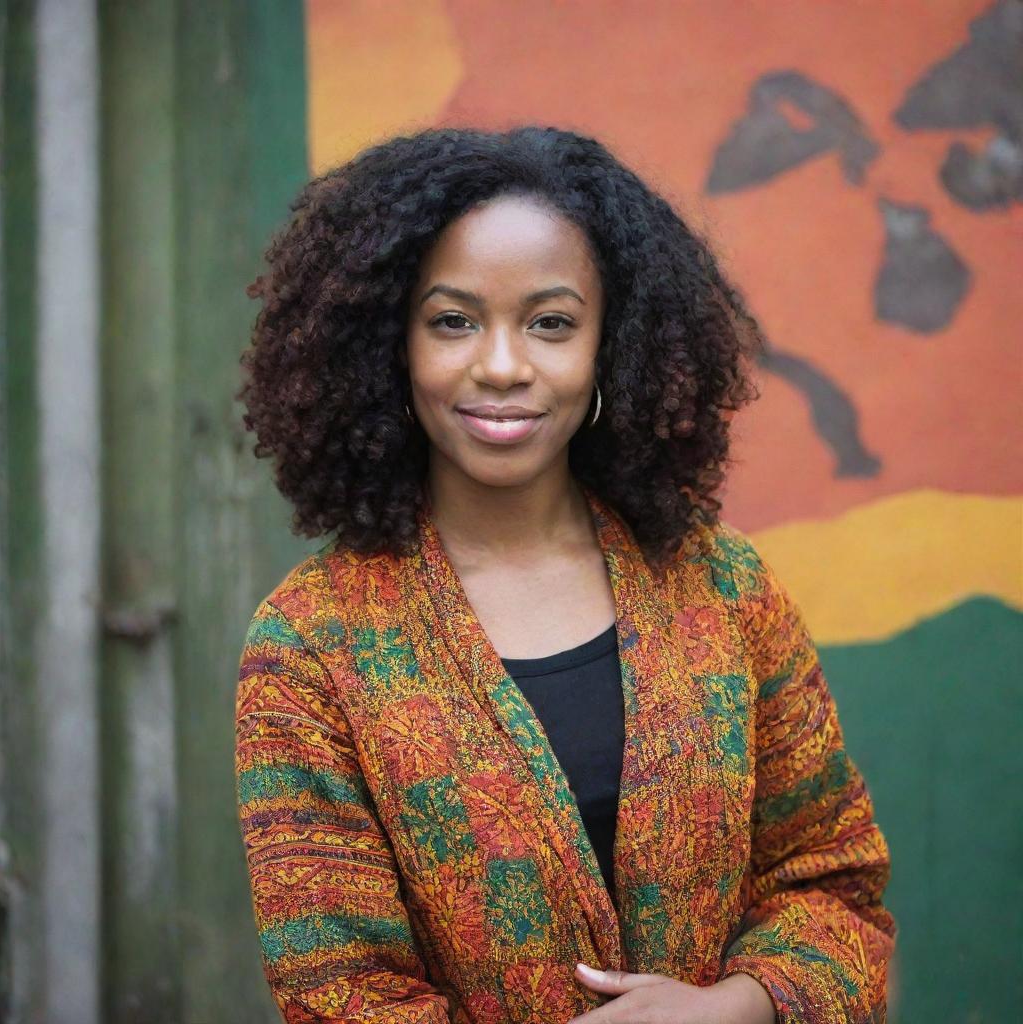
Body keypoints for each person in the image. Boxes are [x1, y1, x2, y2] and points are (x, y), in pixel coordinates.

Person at [234, 125, 897, 1024]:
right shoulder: (313, 644)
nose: (501, 366)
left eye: (551, 323)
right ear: (390, 346)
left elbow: (833, 886)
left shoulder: (722, 588)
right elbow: (339, 992)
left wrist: (736, 1007)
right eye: (453, 321)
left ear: (608, 351)